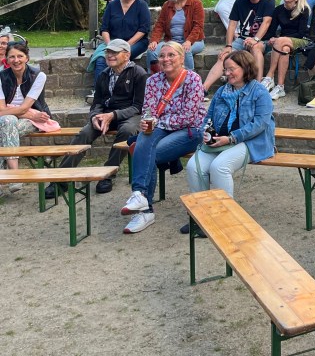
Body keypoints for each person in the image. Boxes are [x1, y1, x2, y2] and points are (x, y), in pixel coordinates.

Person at [184, 49, 275, 231]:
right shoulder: (221, 91)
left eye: (231, 69)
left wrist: (231, 138)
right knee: (193, 167)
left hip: (249, 142)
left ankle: (225, 219)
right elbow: (208, 117)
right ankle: (201, 217)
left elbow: (260, 124)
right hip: (220, 141)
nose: (227, 73)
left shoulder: (259, 92)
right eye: (225, 69)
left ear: (245, 67)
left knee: (220, 167)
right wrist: (205, 133)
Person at [120, 42, 205, 234]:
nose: (165, 59)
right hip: (162, 128)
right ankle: (140, 197)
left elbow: (188, 117)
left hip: (190, 130)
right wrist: (146, 122)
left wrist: (156, 122)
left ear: (182, 58)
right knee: (145, 136)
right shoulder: (153, 80)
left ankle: (145, 208)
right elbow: (148, 110)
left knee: (146, 151)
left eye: (171, 55)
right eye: (162, 55)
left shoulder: (193, 79)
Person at [50, 38, 146, 196]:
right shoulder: (104, 74)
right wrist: (94, 116)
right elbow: (97, 103)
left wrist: (113, 115)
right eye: (108, 52)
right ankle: (62, 178)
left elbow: (138, 106)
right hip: (106, 114)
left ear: (127, 55)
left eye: (115, 52)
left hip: (130, 114)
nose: (110, 55)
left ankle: (108, 174)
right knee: (85, 133)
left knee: (127, 131)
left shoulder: (138, 73)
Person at [0, 37, 51, 182]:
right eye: (12, 57)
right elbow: (2, 109)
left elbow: (24, 108)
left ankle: (10, 177)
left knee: (6, 123)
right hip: (25, 117)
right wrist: (29, 114)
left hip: (36, 120)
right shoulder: (1, 77)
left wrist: (29, 115)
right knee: (7, 122)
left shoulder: (38, 76)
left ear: (27, 58)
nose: (16, 60)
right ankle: (15, 175)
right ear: (6, 59)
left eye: (20, 56)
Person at [214, 0, 275, 83]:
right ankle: (204, 88)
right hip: (242, 39)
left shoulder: (268, 1)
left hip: (263, 40)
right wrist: (228, 45)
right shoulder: (240, 2)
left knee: (255, 48)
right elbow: (232, 25)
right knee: (225, 56)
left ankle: (257, 85)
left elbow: (266, 22)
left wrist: (255, 39)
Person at [92, 0, 151, 82]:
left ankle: (119, 87)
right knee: (101, 59)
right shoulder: (112, 5)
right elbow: (104, 28)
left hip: (136, 42)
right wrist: (110, 45)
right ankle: (100, 89)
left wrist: (126, 45)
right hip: (113, 41)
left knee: (120, 56)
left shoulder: (142, 6)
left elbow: (143, 29)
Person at [263, 0, 312, 100]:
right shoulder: (278, 10)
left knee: (280, 41)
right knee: (284, 48)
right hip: (284, 43)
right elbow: (272, 30)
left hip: (302, 40)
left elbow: (301, 33)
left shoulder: (303, 9)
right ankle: (280, 87)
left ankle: (269, 76)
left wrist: (279, 39)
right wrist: (271, 38)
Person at [148, 0, 206, 70]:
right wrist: (154, 40)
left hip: (194, 41)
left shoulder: (196, 3)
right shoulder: (167, 5)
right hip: (171, 41)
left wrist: (189, 41)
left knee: (185, 51)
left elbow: (198, 26)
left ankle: (189, 78)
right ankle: (154, 78)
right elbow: (160, 25)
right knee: (151, 51)